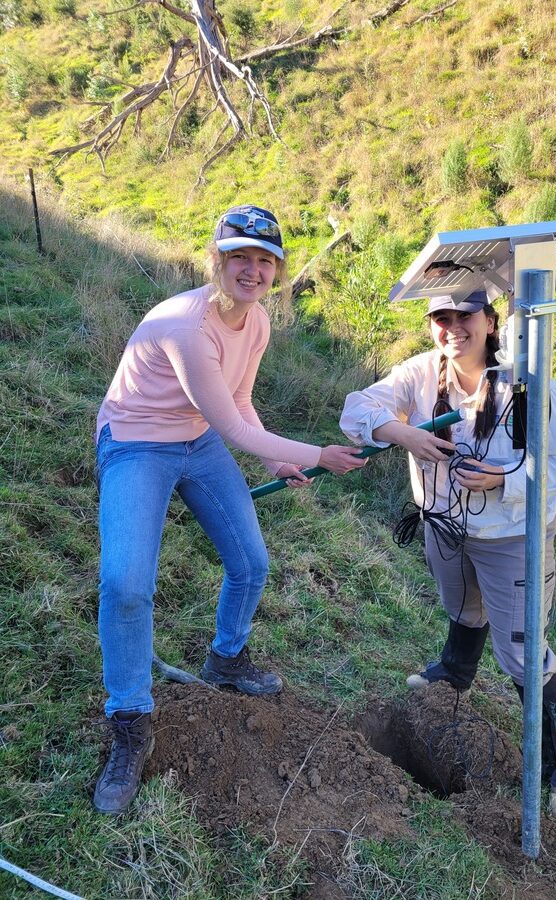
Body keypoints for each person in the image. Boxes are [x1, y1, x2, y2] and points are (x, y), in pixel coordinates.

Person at [93, 204, 366, 815]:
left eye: (264, 260)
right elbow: (236, 428)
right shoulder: (188, 326)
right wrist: (315, 452)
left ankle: (225, 657)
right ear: (216, 259)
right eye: (239, 255)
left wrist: (276, 460)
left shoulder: (257, 323)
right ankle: (131, 721)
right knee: (127, 583)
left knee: (250, 563)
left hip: (199, 438)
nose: (252, 269)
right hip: (138, 441)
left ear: (277, 271)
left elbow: (239, 403)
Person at [340, 290, 556, 826]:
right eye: (440, 318)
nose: (453, 328)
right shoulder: (422, 374)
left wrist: (504, 478)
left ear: (491, 321)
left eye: (464, 316)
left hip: (511, 536)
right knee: (461, 604)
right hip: (446, 526)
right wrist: (402, 432)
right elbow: (357, 408)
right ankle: (455, 670)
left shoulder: (527, 383)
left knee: (523, 647)